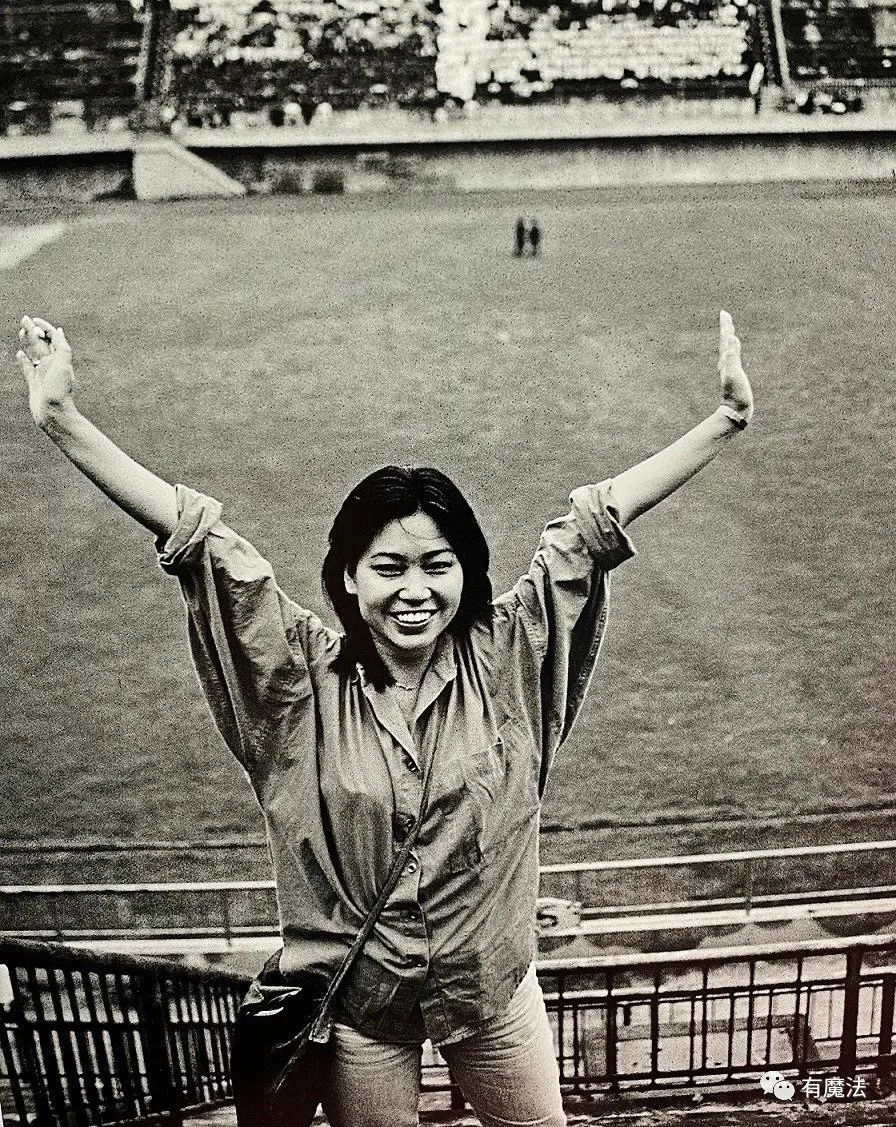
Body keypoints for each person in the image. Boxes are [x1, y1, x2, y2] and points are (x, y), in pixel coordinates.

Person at [15, 310, 753, 1127]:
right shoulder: (296, 681)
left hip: (490, 989)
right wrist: (63, 419)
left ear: (466, 571)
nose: (415, 590)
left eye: (438, 564)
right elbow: (201, 539)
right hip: (361, 1002)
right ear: (349, 576)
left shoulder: (511, 654)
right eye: (389, 566)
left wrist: (725, 418)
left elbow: (593, 524)